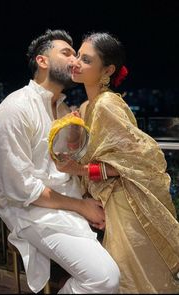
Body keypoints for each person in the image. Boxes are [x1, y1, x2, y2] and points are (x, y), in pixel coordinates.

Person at [0, 29, 120, 294]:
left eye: (78, 55)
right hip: (31, 211)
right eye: (67, 53)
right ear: (42, 61)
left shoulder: (62, 110)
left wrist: (74, 140)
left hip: (66, 202)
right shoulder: (14, 108)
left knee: (126, 246)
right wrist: (81, 207)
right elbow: (22, 189)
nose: (75, 61)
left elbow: (63, 166)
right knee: (105, 279)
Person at [53, 31, 179, 293]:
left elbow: (138, 160)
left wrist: (80, 169)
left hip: (127, 205)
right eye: (78, 55)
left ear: (107, 70)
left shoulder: (107, 104)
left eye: (86, 60)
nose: (76, 62)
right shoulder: (89, 106)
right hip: (110, 204)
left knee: (133, 277)